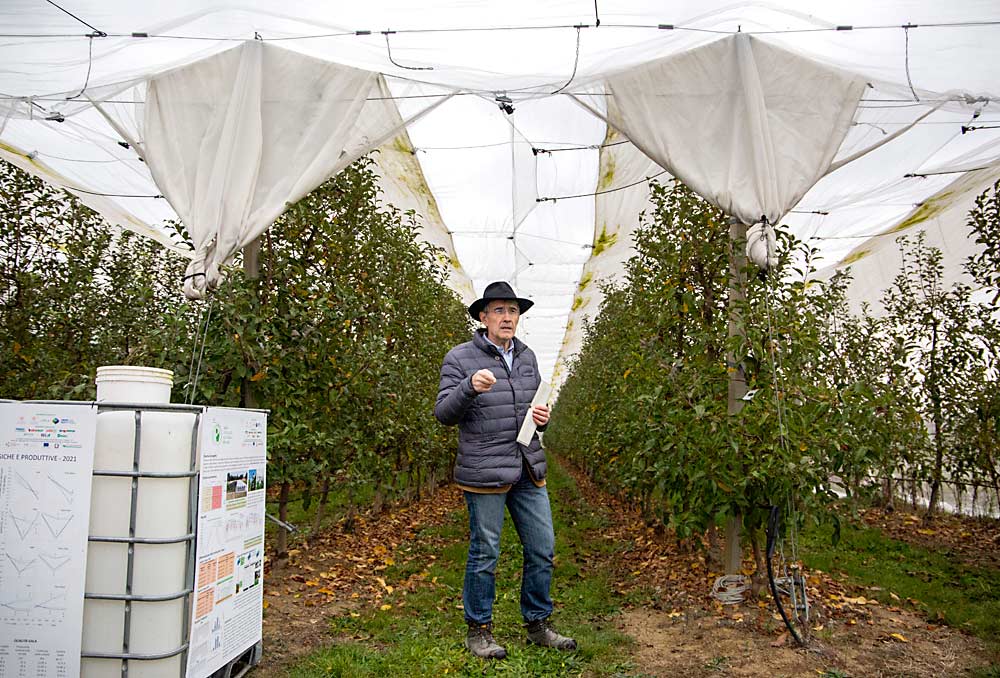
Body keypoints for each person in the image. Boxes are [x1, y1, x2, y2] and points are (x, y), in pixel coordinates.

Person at [435, 281, 577, 660]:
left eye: (513, 311)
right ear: (483, 317)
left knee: (543, 548)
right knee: (486, 553)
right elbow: (444, 414)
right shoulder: (461, 358)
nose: (507, 317)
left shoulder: (528, 357)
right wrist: (468, 387)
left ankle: (538, 623)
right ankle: (478, 630)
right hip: (485, 471)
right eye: (499, 310)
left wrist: (542, 420)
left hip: (527, 466)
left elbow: (530, 410)